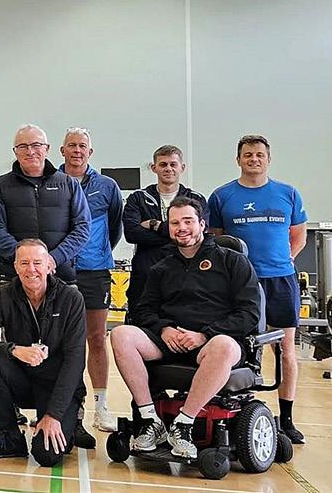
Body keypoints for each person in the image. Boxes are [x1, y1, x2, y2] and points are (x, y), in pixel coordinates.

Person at [110, 197, 261, 459]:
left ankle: (184, 425)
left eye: (188, 221)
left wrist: (205, 335)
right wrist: (164, 329)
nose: (182, 228)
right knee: (121, 334)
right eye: (175, 223)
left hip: (213, 344)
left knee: (224, 346)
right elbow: (144, 311)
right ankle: (150, 419)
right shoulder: (161, 267)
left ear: (202, 224)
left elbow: (249, 314)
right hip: (171, 342)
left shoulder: (232, 261)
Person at [207, 134, 308, 444]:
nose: (254, 159)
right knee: (241, 347)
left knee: (286, 349)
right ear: (238, 159)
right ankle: (240, 411)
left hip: (280, 281)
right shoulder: (222, 196)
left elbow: (298, 236)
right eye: (248, 155)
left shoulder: (288, 193)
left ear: (268, 159)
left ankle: (286, 419)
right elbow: (217, 240)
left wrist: (285, 260)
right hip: (241, 283)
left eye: (259, 155)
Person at [0, 239, 87, 467]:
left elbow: (75, 361)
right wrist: (13, 350)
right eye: (24, 263)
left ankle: (67, 424)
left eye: (37, 263)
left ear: (49, 265)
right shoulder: (2, 295)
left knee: (46, 456)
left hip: (57, 387)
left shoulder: (71, 298)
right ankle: (10, 438)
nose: (31, 269)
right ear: (15, 266)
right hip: (23, 382)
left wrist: (53, 415)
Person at [60, 128, 123, 433]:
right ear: (62, 151)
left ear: (90, 152)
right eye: (71, 145)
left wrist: (96, 253)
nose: (77, 150)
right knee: (60, 341)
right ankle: (66, 406)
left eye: (82, 146)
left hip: (95, 271)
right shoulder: (51, 182)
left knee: (97, 338)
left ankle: (101, 407)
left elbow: (115, 229)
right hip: (59, 270)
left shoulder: (107, 187)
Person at [0, 124, 90, 283]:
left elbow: (82, 227)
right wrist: (28, 262)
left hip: (60, 275)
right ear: (15, 151)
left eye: (36, 145)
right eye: (23, 146)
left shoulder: (69, 184)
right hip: (15, 278)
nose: (30, 151)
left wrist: (54, 258)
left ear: (47, 149)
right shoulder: (0, 186)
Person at [122, 145, 206, 323]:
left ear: (182, 168)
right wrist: (178, 236)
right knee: (142, 328)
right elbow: (132, 233)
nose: (168, 169)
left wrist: (156, 225)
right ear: (154, 168)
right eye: (163, 164)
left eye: (173, 164)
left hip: (186, 276)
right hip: (145, 277)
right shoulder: (138, 198)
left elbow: (198, 234)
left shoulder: (195, 199)